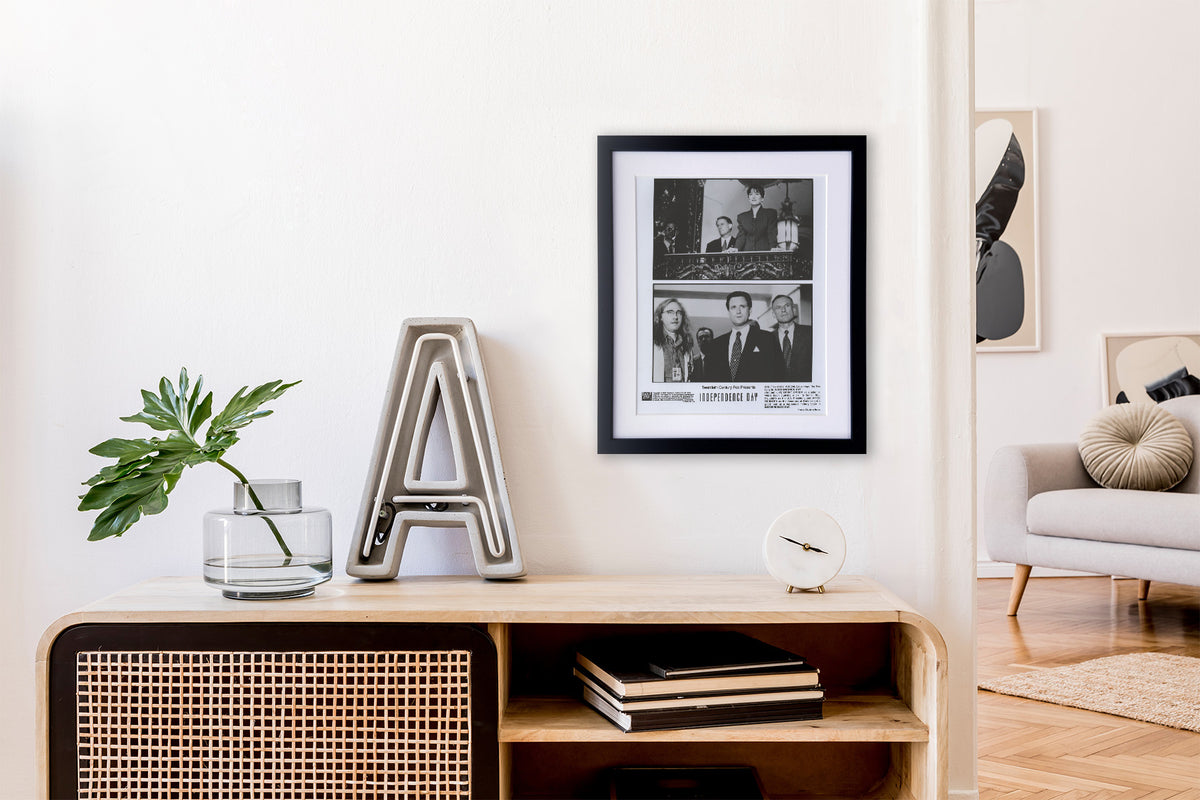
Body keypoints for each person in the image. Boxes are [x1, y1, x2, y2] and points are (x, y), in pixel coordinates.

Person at [701, 291, 784, 382]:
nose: (738, 311)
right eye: (733, 307)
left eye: (742, 306)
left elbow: (779, 375)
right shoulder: (716, 344)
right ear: (728, 312)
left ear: (750, 310)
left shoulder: (767, 339)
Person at [770, 294, 813, 382]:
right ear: (773, 314)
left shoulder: (811, 333)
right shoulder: (767, 339)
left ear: (793, 309)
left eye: (787, 306)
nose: (783, 310)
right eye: (778, 307)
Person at [652, 298, 696, 383]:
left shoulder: (687, 345)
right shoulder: (651, 343)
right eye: (670, 312)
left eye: (679, 313)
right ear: (660, 317)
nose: (675, 317)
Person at [735, 184, 778, 252]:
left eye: (757, 194)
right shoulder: (742, 217)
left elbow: (771, 232)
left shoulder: (770, 213)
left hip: (765, 253)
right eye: (751, 194)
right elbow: (741, 236)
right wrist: (736, 248)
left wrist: (773, 247)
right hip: (747, 254)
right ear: (748, 198)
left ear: (762, 198)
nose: (753, 197)